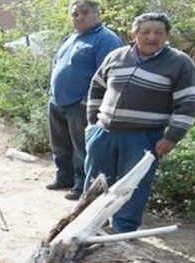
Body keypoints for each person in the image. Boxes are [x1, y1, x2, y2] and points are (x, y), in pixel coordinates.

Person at [84, 12, 195, 232]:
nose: (151, 37)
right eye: (145, 32)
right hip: (103, 134)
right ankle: (89, 224)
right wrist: (92, 124)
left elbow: (190, 102)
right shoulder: (116, 56)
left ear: (167, 36)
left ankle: (123, 230)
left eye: (158, 32)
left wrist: (172, 136)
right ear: (134, 34)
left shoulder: (179, 63)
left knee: (133, 186)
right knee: (95, 181)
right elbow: (97, 86)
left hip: (143, 137)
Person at [47, 1, 122, 200]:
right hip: (58, 101)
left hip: (82, 104)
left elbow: (109, 75)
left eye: (85, 12)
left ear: (97, 14)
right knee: (61, 144)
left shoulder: (106, 39)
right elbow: (57, 65)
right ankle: (64, 178)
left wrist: (88, 102)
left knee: (82, 146)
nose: (79, 17)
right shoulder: (71, 38)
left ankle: (81, 186)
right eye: (75, 14)